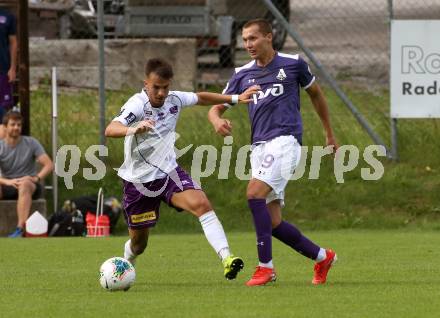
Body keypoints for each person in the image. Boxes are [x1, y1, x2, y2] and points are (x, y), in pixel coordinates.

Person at [208, 19, 338, 286]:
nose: (248, 45)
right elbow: (216, 107)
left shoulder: (293, 64)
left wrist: (329, 133)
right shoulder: (242, 74)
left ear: (269, 37)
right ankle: (323, 257)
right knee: (274, 222)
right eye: (244, 40)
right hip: (259, 148)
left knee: (253, 193)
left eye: (253, 38)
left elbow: (316, 94)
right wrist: (217, 121)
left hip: (286, 141)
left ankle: (265, 268)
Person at [105, 58, 259, 280]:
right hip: (138, 182)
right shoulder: (137, 105)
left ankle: (227, 258)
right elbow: (111, 128)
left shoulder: (174, 99)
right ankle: (127, 261)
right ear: (145, 83)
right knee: (139, 245)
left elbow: (201, 97)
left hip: (169, 173)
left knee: (202, 204)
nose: (160, 93)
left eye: (165, 87)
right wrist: (134, 128)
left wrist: (235, 98)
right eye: (155, 87)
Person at [0, 111, 54, 237]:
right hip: (8, 184)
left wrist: (36, 178)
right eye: (13, 124)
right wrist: (8, 182)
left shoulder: (31, 143)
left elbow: (49, 165)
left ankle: (20, 229)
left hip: (29, 185)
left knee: (24, 184)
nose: (16, 128)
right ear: (6, 127)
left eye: (19, 125)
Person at [0, 8, 17, 138]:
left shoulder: (7, 16)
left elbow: (13, 42)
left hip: (3, 70)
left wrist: (12, 68)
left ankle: (4, 151)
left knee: (4, 112)